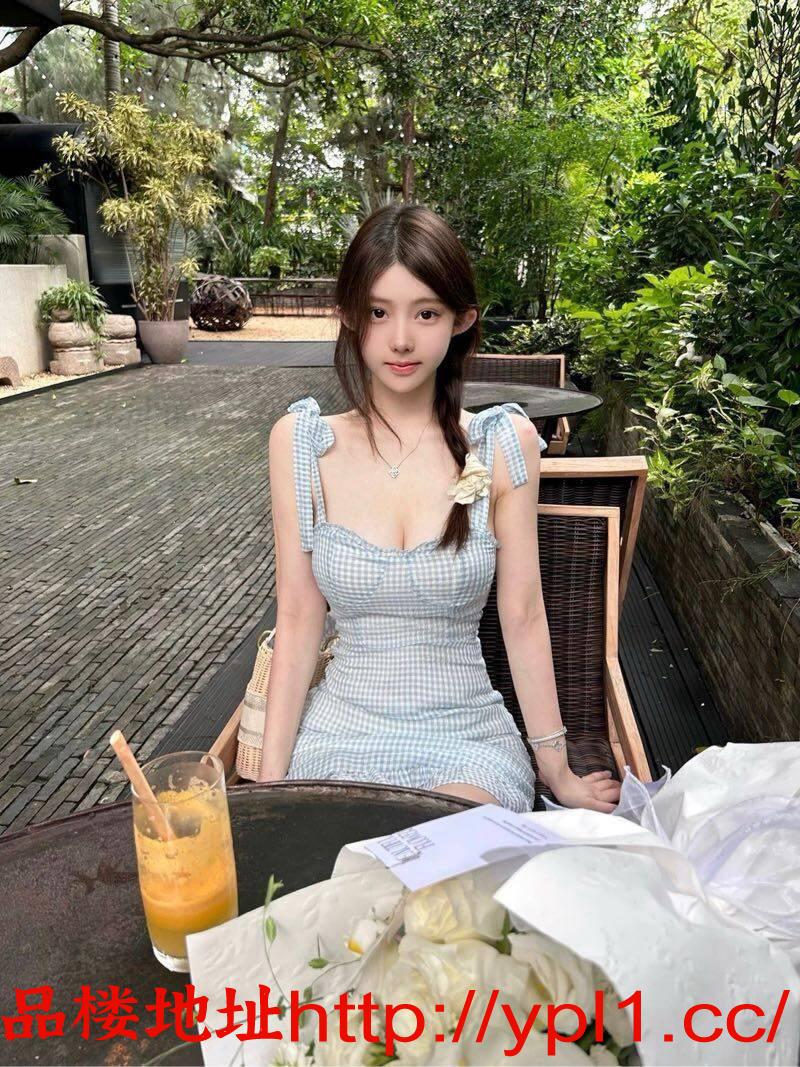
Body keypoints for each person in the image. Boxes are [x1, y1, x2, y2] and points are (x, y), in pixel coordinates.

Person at [257, 203, 621, 814]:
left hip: (465, 739)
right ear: (349, 315)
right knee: (342, 857)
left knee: (452, 850)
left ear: (460, 320)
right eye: (379, 312)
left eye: (425, 313)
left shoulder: (502, 444)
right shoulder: (302, 444)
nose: (400, 338)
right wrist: (269, 791)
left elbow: (523, 614)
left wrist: (557, 772)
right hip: (340, 734)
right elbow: (297, 619)